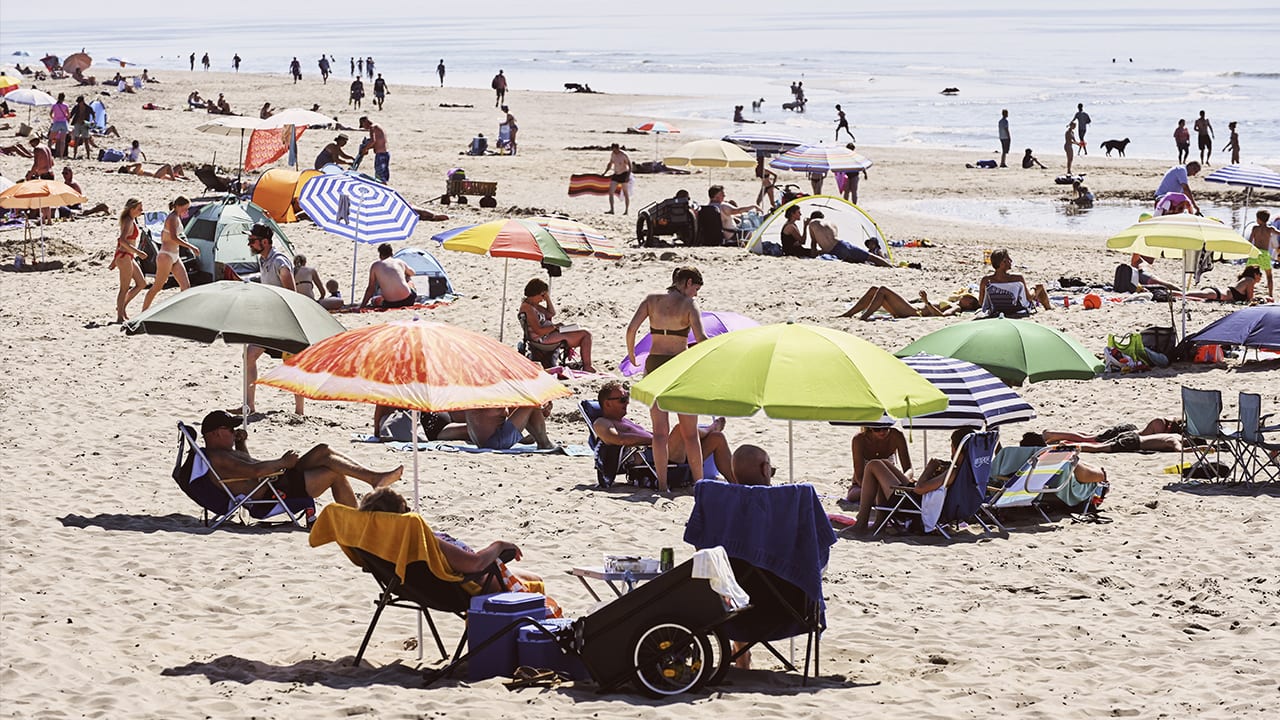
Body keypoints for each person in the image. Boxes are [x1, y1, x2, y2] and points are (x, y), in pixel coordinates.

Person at [200, 410, 402, 508]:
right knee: (333, 472)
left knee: (323, 451)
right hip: (274, 490)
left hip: (275, 480)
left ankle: (373, 482)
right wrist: (282, 462)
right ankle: (373, 483)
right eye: (230, 429)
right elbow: (255, 472)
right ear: (216, 434)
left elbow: (246, 467)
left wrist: (241, 444)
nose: (234, 431)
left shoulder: (224, 454)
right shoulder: (217, 457)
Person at [625, 268, 710, 491]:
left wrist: (632, 355)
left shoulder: (651, 300)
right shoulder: (689, 306)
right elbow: (701, 338)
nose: (696, 295)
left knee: (660, 432)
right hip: (678, 367)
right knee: (690, 434)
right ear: (688, 282)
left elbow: (631, 329)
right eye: (696, 289)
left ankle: (662, 485)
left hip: (654, 365)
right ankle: (700, 484)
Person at [592, 380, 736, 485]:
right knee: (681, 429)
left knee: (718, 438)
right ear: (607, 403)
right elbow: (619, 439)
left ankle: (736, 484)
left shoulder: (624, 421)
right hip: (653, 459)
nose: (627, 403)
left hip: (666, 453)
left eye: (627, 398)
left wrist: (659, 439)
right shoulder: (601, 423)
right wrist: (656, 440)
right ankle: (710, 428)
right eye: (622, 400)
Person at [848, 428, 973, 535]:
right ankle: (879, 523)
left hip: (913, 503)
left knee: (873, 465)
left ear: (956, 449)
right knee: (884, 463)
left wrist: (929, 469)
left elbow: (919, 489)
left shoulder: (953, 472)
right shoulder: (967, 471)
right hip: (919, 500)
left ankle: (861, 523)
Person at [234, 223, 297, 415]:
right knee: (249, 356)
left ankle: (300, 411)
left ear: (265, 242)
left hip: (284, 321)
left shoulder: (280, 262)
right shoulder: (263, 260)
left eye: (252, 241)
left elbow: (292, 293)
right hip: (269, 321)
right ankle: (249, 406)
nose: (249, 244)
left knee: (292, 364)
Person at [520, 278, 595, 372]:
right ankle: (587, 366)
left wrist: (547, 298)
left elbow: (551, 314)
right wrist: (554, 327)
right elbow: (538, 331)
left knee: (583, 334)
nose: (542, 299)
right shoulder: (528, 308)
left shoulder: (531, 304)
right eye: (542, 295)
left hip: (546, 334)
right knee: (586, 335)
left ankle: (586, 365)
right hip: (542, 338)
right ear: (536, 293)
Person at [140, 196, 200, 311]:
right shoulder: (172, 218)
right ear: (177, 206)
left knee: (185, 286)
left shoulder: (177, 217)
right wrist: (191, 247)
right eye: (185, 208)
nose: (186, 211)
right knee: (157, 286)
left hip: (175, 256)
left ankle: (183, 311)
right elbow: (173, 237)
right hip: (166, 255)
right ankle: (144, 311)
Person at [846, 425, 911, 502]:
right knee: (852, 496)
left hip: (889, 481)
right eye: (877, 429)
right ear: (870, 427)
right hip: (864, 483)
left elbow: (908, 469)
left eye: (886, 427)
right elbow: (859, 476)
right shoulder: (859, 439)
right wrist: (876, 490)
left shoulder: (896, 436)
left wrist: (905, 480)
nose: (882, 432)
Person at [1041, 419, 1185, 453]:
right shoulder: (1163, 426)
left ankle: (1056, 436)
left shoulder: (1162, 423)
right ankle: (1053, 435)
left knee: (1089, 437)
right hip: (1128, 434)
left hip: (1130, 431)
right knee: (1091, 441)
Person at [806, 211, 891, 266]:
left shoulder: (812, 223)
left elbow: (814, 243)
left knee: (860, 260)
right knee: (870, 257)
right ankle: (889, 266)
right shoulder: (831, 223)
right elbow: (833, 238)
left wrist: (813, 256)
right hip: (842, 245)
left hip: (833, 251)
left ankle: (889, 266)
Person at [110, 198, 148, 323]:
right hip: (125, 256)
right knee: (124, 288)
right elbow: (122, 240)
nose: (141, 211)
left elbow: (120, 240)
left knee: (141, 283)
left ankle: (122, 307)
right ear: (132, 209)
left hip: (126, 256)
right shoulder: (128, 221)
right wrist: (139, 252)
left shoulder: (131, 220)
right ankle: (120, 317)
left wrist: (114, 260)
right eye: (139, 208)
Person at [979, 249, 1053, 311]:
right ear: (1003, 263)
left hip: (996, 309)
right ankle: (1048, 308)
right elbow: (1029, 298)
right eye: (1008, 259)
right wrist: (1033, 288)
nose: (1011, 260)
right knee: (1039, 286)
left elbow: (981, 302)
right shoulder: (1017, 278)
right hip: (1018, 309)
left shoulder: (985, 280)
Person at [841, 287, 979, 320]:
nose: (965, 296)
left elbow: (943, 315)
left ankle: (864, 317)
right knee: (874, 290)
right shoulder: (953, 301)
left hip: (913, 312)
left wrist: (927, 302)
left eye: (969, 297)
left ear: (970, 304)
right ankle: (849, 314)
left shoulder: (956, 307)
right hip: (909, 308)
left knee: (882, 290)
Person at [360, 242, 416, 308]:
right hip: (408, 300)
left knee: (375, 299)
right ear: (392, 253)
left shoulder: (375, 266)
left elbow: (371, 288)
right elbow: (412, 273)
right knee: (408, 276)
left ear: (380, 255)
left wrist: (362, 306)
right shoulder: (399, 262)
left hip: (390, 303)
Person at [1184, 266, 1262, 303]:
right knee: (1184, 295)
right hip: (1217, 294)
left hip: (1217, 293)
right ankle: (1172, 292)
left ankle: (1172, 291)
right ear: (1255, 274)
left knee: (1186, 294)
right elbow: (1250, 299)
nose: (1261, 276)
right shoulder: (1250, 280)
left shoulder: (1245, 280)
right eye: (1260, 274)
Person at [1247, 210, 1275, 299]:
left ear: (1258, 219)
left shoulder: (1255, 228)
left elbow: (1250, 241)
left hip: (1255, 252)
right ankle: (1270, 294)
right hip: (1264, 254)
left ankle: (1246, 292)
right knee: (1269, 275)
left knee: (1248, 274)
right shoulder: (1270, 229)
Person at [358, 116, 390, 183]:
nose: (364, 128)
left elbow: (373, 141)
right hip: (384, 153)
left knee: (380, 177)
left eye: (363, 125)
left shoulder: (372, 128)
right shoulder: (377, 126)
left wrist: (365, 149)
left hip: (381, 155)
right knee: (383, 175)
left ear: (365, 122)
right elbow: (378, 142)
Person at [604, 143, 631, 214]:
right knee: (611, 192)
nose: (614, 150)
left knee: (625, 193)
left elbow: (630, 165)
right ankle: (612, 209)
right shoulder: (613, 154)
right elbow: (610, 164)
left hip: (624, 174)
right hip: (616, 174)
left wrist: (628, 176)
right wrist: (605, 172)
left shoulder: (623, 155)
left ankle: (626, 211)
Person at [48, 92, 70, 158]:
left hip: (57, 122)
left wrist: (53, 118)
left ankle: (49, 154)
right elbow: (68, 115)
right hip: (63, 123)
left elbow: (50, 114)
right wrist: (65, 117)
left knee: (50, 138)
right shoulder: (65, 106)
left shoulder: (54, 106)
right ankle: (61, 155)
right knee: (63, 141)